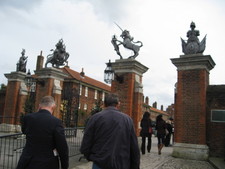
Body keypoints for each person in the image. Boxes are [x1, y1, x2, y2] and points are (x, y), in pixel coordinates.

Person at [80, 93, 140, 169]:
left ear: (104, 104)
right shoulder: (128, 120)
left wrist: (92, 157)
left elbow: (86, 144)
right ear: (118, 104)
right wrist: (135, 166)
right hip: (121, 164)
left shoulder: (95, 118)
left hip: (99, 163)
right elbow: (134, 148)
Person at [16, 96, 69, 169]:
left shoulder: (28, 118)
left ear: (39, 106)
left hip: (27, 162)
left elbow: (24, 131)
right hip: (47, 163)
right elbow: (62, 147)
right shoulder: (56, 122)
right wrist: (64, 166)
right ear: (53, 107)